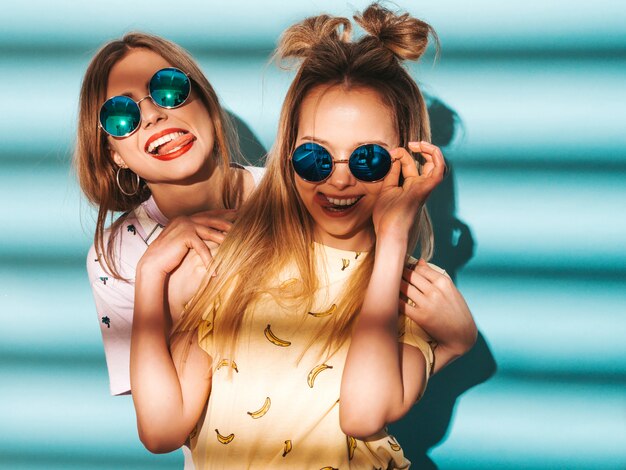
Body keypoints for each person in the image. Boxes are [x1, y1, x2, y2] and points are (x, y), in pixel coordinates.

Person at [130, 4, 476, 469]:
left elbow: (363, 413)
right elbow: (161, 429)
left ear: (405, 162)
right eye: (314, 157)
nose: (337, 181)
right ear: (287, 156)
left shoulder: (411, 291)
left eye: (367, 159)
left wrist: (393, 240)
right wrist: (148, 275)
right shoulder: (236, 262)